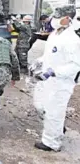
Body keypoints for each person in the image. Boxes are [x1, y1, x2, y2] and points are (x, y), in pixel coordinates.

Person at [32, 5, 80, 151]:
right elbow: (48, 55)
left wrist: (55, 72)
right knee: (39, 105)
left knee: (54, 112)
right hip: (46, 80)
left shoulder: (72, 40)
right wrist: (38, 62)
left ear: (67, 19)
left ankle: (52, 142)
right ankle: (58, 128)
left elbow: (75, 65)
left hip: (61, 82)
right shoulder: (54, 34)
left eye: (58, 17)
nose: (54, 19)